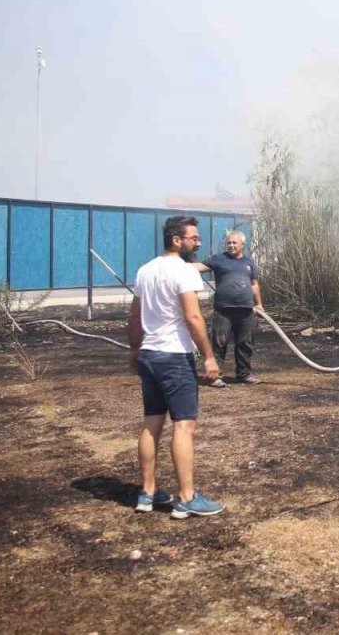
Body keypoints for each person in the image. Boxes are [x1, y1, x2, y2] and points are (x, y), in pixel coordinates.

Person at [128, 215, 226, 519]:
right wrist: (208, 355)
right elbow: (193, 318)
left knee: (152, 424)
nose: (197, 243)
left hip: (149, 355)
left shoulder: (145, 270)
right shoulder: (183, 272)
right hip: (173, 357)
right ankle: (186, 498)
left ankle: (147, 492)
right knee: (184, 426)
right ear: (176, 240)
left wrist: (135, 351)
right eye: (193, 238)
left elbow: (134, 317)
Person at [196, 229, 264, 386]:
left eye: (234, 243)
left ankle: (244, 374)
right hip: (223, 310)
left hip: (246, 310)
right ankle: (215, 376)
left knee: (245, 343)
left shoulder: (249, 263)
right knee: (219, 343)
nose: (231, 245)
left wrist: (259, 304)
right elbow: (198, 267)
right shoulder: (219, 259)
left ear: (242, 245)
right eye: (229, 243)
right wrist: (176, 263)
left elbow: (254, 284)